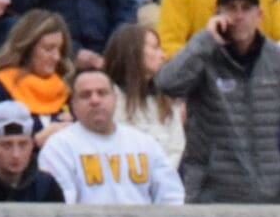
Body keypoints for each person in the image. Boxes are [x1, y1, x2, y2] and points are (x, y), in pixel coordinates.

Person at [154, 0, 280, 204]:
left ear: (259, 15)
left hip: (267, 194)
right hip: (208, 194)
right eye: (231, 8)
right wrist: (205, 39)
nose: (239, 16)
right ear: (217, 14)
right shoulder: (203, 54)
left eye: (246, 8)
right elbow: (167, 83)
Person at [37, 65, 184, 203]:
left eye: (102, 93)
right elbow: (61, 209)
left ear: (115, 98)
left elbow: (172, 197)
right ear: (73, 104)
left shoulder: (144, 144)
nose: (95, 100)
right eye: (85, 95)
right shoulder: (59, 147)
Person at [103, 20, 184, 169]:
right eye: (155, 48)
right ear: (132, 51)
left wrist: (160, 178)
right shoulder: (108, 98)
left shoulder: (167, 99)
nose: (163, 56)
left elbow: (176, 148)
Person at [0, 7, 74, 125]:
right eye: (48, 49)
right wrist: (36, 140)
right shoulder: (0, 89)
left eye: (60, 50)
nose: (56, 57)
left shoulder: (66, 91)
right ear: (27, 48)